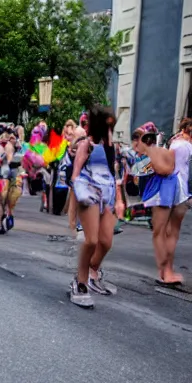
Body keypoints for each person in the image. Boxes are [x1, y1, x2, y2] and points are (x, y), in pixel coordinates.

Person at [68, 106, 125, 307]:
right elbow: (75, 174)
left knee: (106, 241)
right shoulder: (86, 145)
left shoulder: (110, 146)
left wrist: (119, 200)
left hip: (107, 194)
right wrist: (79, 197)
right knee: (91, 241)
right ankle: (80, 282)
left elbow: (115, 174)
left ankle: (92, 272)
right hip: (90, 193)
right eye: (109, 124)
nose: (112, 128)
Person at [137, 119, 187, 285]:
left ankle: (165, 272)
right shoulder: (169, 149)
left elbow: (164, 170)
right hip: (178, 189)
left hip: (164, 191)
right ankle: (167, 270)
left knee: (160, 232)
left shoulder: (157, 151)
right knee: (170, 232)